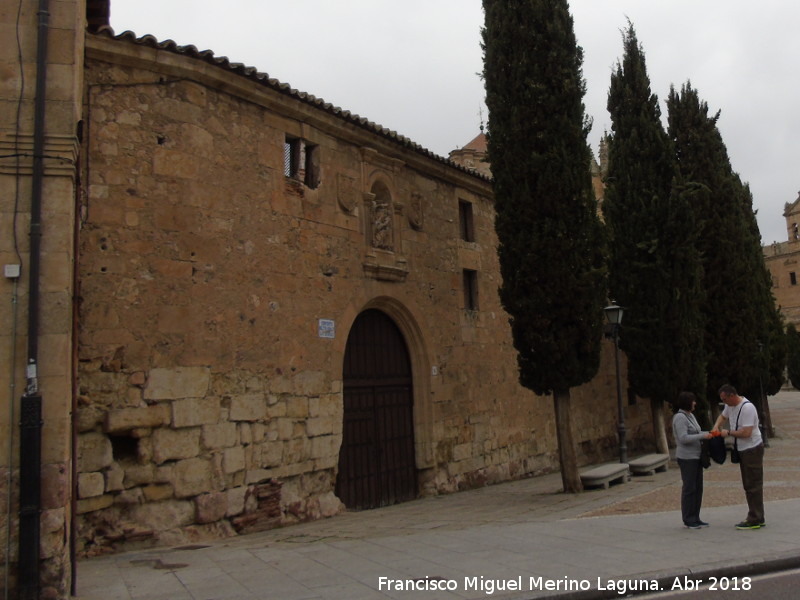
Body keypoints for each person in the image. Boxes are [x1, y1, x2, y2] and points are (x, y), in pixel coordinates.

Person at [712, 384, 765, 530]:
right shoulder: (730, 406)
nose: (724, 402)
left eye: (724, 399)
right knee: (748, 483)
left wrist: (728, 433)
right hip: (742, 448)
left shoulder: (747, 408)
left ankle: (755, 518)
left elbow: (746, 433)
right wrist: (716, 426)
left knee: (753, 484)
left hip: (752, 448)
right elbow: (723, 416)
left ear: (731, 396)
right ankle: (758, 516)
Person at [672, 391, 712, 529]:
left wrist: (708, 434)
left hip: (696, 457)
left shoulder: (691, 416)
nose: (695, 403)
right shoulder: (680, 418)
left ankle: (696, 516)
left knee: (698, 488)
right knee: (689, 488)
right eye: (693, 401)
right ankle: (688, 518)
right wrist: (702, 436)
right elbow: (683, 438)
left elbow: (696, 432)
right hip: (687, 458)